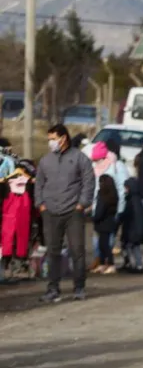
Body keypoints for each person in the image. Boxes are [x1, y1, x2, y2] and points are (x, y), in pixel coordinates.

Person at [35, 124, 95, 303]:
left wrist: (82, 204)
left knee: (77, 250)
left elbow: (89, 181)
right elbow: (39, 184)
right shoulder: (45, 161)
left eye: (53, 139)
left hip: (73, 212)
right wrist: (41, 205)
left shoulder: (80, 158)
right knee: (53, 252)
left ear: (63, 138)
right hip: (50, 212)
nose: (50, 143)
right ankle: (53, 289)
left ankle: (79, 288)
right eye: (49, 140)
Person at [92, 175, 120, 275]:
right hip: (110, 222)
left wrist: (93, 218)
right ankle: (103, 264)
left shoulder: (102, 195)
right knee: (104, 245)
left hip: (102, 223)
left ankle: (110, 264)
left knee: (104, 245)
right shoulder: (114, 195)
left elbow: (100, 210)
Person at [118, 177, 143, 273]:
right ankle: (135, 265)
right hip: (133, 230)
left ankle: (136, 265)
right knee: (132, 247)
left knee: (131, 247)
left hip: (133, 230)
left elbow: (131, 215)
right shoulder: (137, 199)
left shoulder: (133, 201)